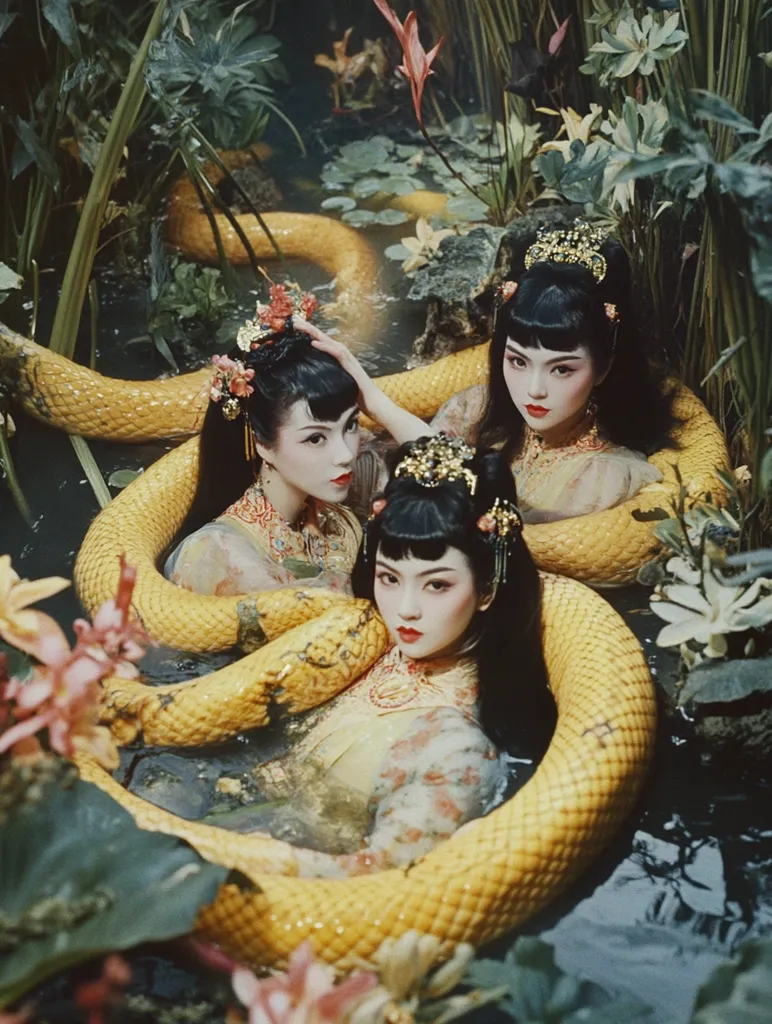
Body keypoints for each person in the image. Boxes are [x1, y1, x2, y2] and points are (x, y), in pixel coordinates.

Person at [238, 434, 555, 879]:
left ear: (486, 589)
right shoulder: (366, 641)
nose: (405, 609)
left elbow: (376, 880)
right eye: (389, 578)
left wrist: (232, 853)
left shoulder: (457, 749)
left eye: (437, 585)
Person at [299, 221, 678, 524]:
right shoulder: (476, 410)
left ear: (604, 367)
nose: (534, 390)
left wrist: (378, 403)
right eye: (517, 361)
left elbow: (462, 510)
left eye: (561, 369)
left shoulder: (606, 476)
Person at [164, 286, 369, 596]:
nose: (345, 454)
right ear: (262, 443)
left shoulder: (331, 517)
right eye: (315, 438)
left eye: (351, 425)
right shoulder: (217, 554)